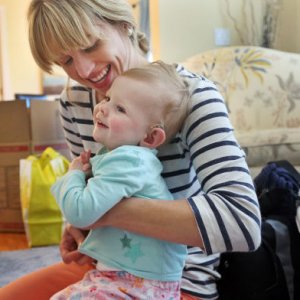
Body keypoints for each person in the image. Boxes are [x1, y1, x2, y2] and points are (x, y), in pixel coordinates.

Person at [0, 0, 261, 299]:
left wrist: (103, 213)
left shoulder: (194, 97)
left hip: (174, 282)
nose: (83, 70)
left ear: (124, 24)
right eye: (66, 61)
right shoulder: (74, 100)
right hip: (103, 268)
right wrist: (79, 227)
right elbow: (91, 186)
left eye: (90, 45)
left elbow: (242, 222)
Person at [50, 61, 189, 299]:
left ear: (151, 136)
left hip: (140, 282)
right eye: (107, 99)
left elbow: (80, 211)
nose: (102, 108)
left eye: (120, 109)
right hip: (130, 275)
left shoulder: (128, 160)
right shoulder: (126, 158)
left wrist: (73, 174)